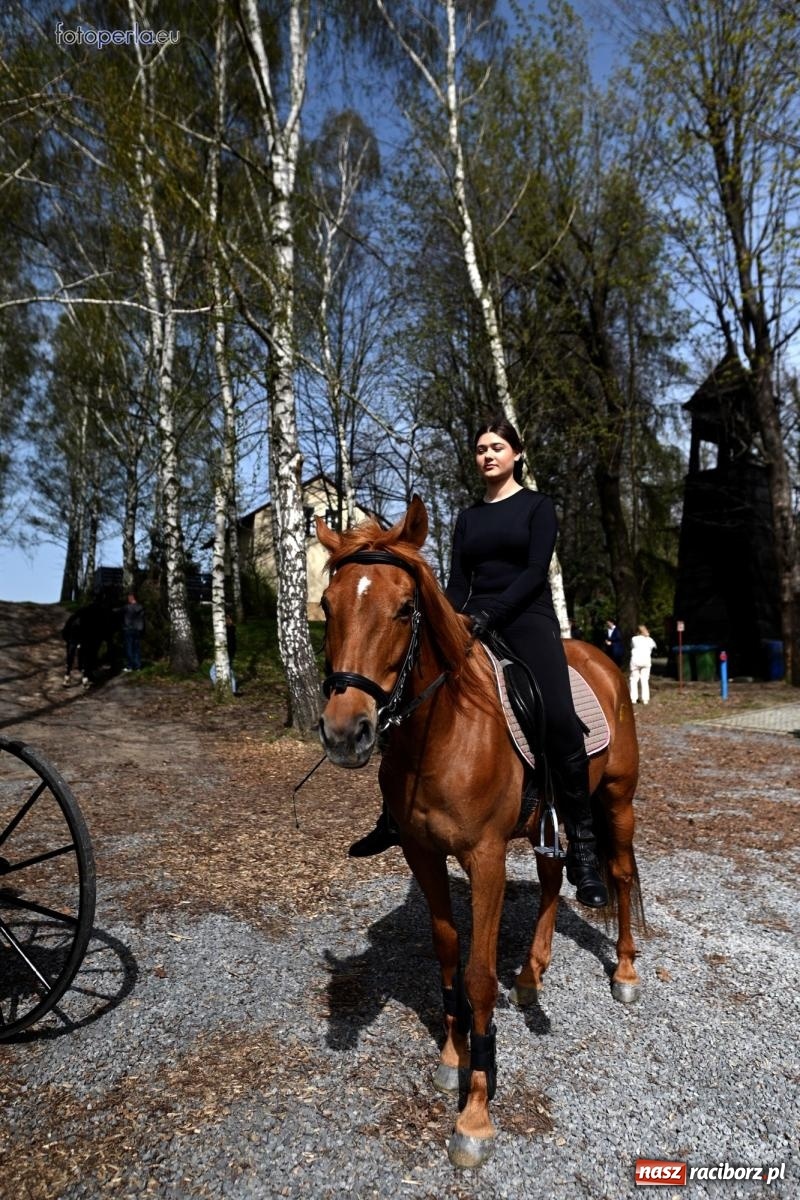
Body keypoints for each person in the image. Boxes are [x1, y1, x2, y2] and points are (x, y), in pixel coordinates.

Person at [348, 415, 608, 909]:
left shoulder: (537, 507)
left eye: (497, 447)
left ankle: (585, 845)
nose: (488, 455)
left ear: (517, 454)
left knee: (557, 715)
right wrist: (449, 616)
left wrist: (492, 614)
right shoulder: (468, 517)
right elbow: (459, 578)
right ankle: (393, 816)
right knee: (405, 701)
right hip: (470, 619)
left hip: (527, 619)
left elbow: (534, 572)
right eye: (481, 449)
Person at [629, 624, 657, 705]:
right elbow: (654, 647)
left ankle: (633, 698)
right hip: (646, 661)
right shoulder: (650, 640)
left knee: (634, 680)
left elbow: (632, 646)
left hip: (635, 661)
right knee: (644, 680)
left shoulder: (634, 639)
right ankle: (645, 699)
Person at [121, 592, 145, 672]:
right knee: (136, 648)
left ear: (131, 598)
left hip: (129, 629)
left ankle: (130, 666)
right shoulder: (140, 607)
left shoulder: (127, 607)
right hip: (137, 629)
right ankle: (138, 666)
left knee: (129, 648)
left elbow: (118, 611)